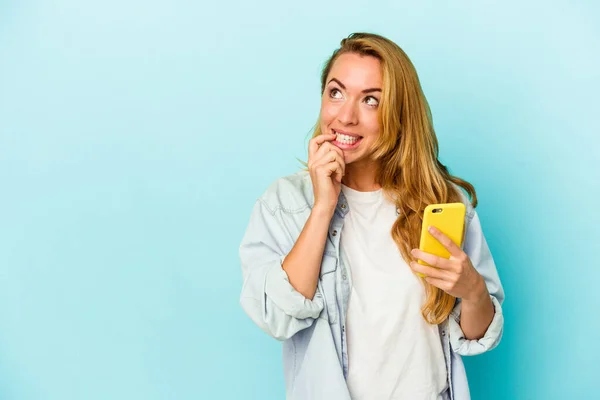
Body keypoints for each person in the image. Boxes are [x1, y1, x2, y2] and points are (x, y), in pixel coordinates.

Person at [238, 32, 504, 400]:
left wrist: (474, 291)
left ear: (398, 112)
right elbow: (277, 319)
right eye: (336, 92)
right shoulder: (283, 204)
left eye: (370, 100)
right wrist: (322, 207)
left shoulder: (441, 202)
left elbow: (478, 339)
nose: (345, 117)